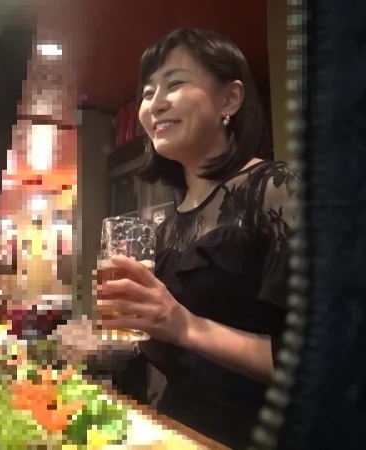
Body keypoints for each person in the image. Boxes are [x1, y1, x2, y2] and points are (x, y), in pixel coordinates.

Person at [58, 28, 297, 448]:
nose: (154, 104)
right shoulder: (171, 224)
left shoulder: (274, 191)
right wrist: (107, 344)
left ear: (230, 100)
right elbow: (170, 348)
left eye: (175, 84)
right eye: (148, 93)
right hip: (172, 431)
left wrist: (185, 326)